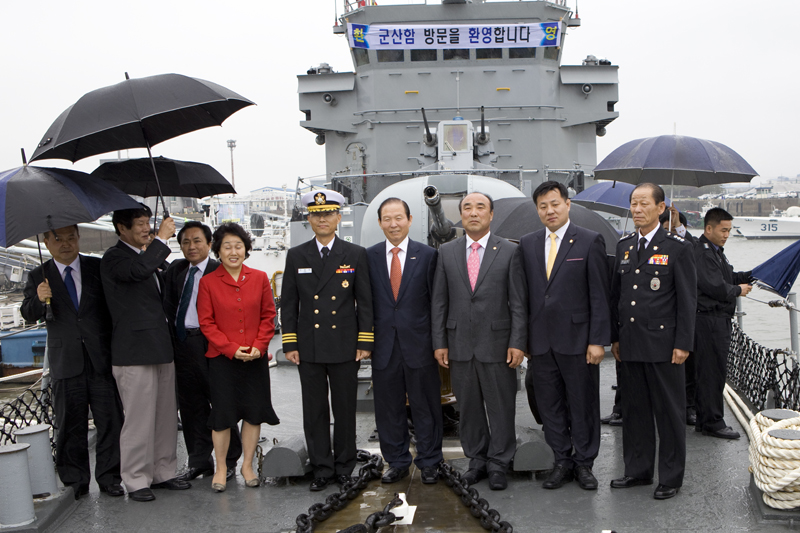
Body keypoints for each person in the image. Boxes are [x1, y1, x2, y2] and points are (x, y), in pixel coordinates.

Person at [516, 181, 610, 491]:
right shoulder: (527, 244)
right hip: (541, 343)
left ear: (567, 204)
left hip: (579, 340)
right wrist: (524, 340)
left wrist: (598, 340)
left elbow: (599, 295)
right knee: (550, 405)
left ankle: (584, 463)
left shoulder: (588, 241)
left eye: (554, 204)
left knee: (582, 404)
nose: (549, 211)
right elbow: (524, 296)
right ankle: (562, 460)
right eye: (543, 206)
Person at [431, 192, 527, 491]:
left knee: (501, 406)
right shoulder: (446, 252)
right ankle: (477, 460)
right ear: (461, 214)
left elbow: (519, 303)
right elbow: (439, 301)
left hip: (498, 343)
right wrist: (439, 342)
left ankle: (499, 462)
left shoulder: (510, 251)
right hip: (459, 344)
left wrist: (517, 342)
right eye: (467, 208)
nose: (474, 213)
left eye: (480, 207)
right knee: (469, 407)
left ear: (491, 214)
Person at [21, 225, 124, 500]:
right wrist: (39, 299)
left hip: (100, 358)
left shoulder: (96, 267)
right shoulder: (38, 275)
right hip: (66, 360)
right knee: (70, 424)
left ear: (78, 238)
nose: (65, 244)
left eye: (70, 238)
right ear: (46, 241)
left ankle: (110, 478)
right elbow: (28, 314)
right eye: (58, 239)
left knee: (110, 420)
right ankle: (75, 482)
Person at [281, 189, 374, 491]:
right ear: (308, 219)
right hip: (309, 346)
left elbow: (365, 302)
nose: (322, 219)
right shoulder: (296, 255)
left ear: (338, 217)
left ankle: (345, 465)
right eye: (316, 214)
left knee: (345, 408)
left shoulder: (355, 254)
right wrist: (290, 343)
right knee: (315, 409)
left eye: (328, 213)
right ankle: (322, 467)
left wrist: (365, 341)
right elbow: (289, 304)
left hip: (345, 344)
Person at [609, 183, 696, 501]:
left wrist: (683, 342)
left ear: (661, 208)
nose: (637, 209)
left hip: (664, 345)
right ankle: (638, 470)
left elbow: (687, 300)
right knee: (635, 410)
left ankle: (671, 476)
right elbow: (616, 296)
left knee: (670, 413)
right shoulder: (625, 246)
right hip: (631, 344)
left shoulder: (678, 247)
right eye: (633, 203)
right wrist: (614, 337)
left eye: (644, 203)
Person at [101, 204, 190, 502]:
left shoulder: (147, 256)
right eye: (139, 224)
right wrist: (162, 241)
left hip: (161, 346)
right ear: (121, 229)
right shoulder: (114, 258)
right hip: (133, 352)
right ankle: (137, 479)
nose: (145, 228)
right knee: (138, 419)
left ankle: (163, 471)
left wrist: (157, 250)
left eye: (147, 222)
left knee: (165, 416)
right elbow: (138, 272)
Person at [366, 197, 443, 485]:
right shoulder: (369, 257)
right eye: (387, 218)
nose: (393, 224)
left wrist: (438, 343)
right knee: (388, 408)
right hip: (384, 346)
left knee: (426, 405)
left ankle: (430, 461)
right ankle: (396, 461)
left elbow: (436, 303)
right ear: (379, 223)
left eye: (398, 217)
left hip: (419, 345)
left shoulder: (427, 255)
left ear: (410, 220)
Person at [197, 222, 279, 492]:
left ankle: (247, 465)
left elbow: (269, 315)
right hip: (222, 360)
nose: (233, 251)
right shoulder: (208, 282)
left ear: (246, 249)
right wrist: (231, 349)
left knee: (253, 413)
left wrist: (259, 345)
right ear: (217, 251)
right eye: (227, 247)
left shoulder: (259, 278)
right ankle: (221, 467)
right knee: (223, 415)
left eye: (238, 246)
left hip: (255, 358)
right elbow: (206, 323)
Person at [163, 221, 243, 482]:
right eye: (185, 242)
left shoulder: (220, 271)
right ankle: (199, 460)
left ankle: (229, 460)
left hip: (212, 344)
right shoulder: (175, 270)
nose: (191, 246)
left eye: (197, 240)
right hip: (182, 344)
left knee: (221, 403)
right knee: (190, 406)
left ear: (210, 244)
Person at [694, 208, 752, 439]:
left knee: (712, 370)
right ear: (709, 228)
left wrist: (749, 276)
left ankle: (705, 419)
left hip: (716, 320)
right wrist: (738, 290)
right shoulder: (703, 253)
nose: (727, 234)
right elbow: (715, 287)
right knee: (712, 371)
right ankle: (712, 422)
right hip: (709, 321)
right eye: (723, 230)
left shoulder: (716, 252)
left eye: (729, 230)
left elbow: (725, 277)